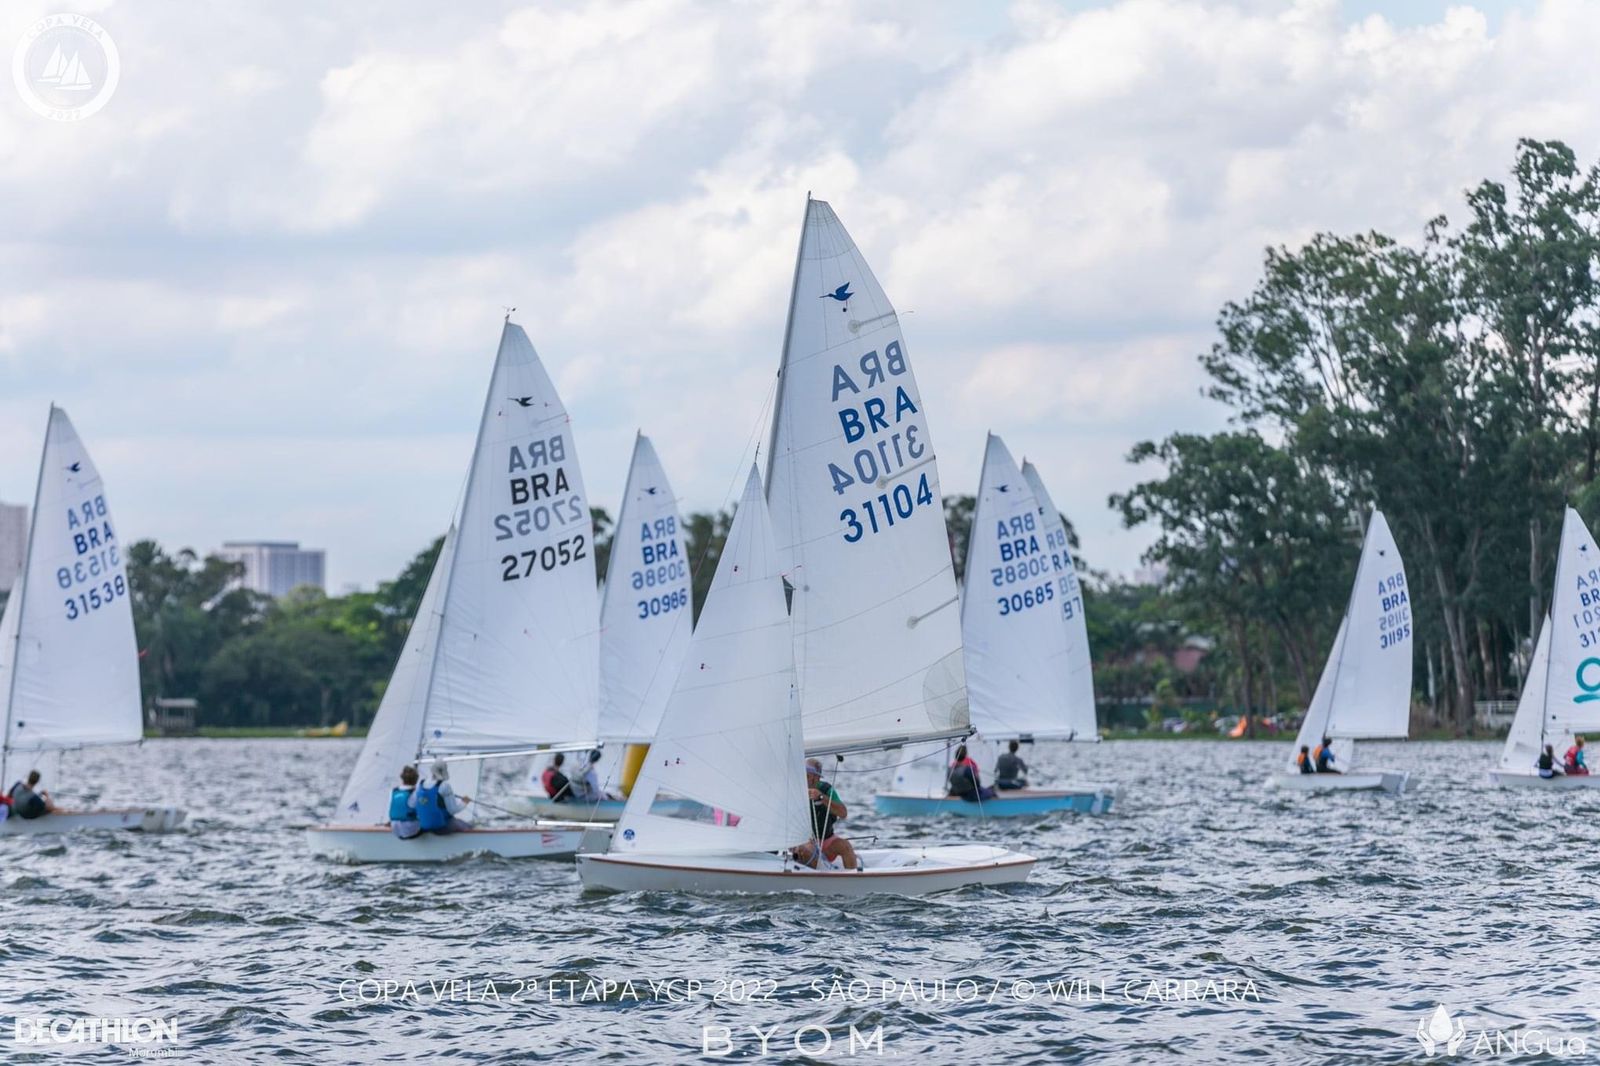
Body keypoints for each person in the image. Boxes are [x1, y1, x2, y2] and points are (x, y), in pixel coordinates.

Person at [791, 758, 860, 871]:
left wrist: (821, 797)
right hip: (806, 841)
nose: (807, 778)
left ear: (817, 777)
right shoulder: (796, 790)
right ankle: (822, 877)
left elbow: (843, 813)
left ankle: (853, 879)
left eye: (811, 775)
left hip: (827, 841)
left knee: (846, 846)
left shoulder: (826, 790)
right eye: (805, 774)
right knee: (805, 850)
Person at [410, 760, 473, 834]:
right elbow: (452, 810)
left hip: (423, 825)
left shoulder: (420, 784)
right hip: (440, 826)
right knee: (469, 826)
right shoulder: (445, 786)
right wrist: (464, 802)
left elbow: (412, 805)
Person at [389, 765, 422, 839]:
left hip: (395, 828)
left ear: (402, 778)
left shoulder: (394, 791)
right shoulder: (415, 793)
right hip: (410, 829)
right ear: (416, 779)